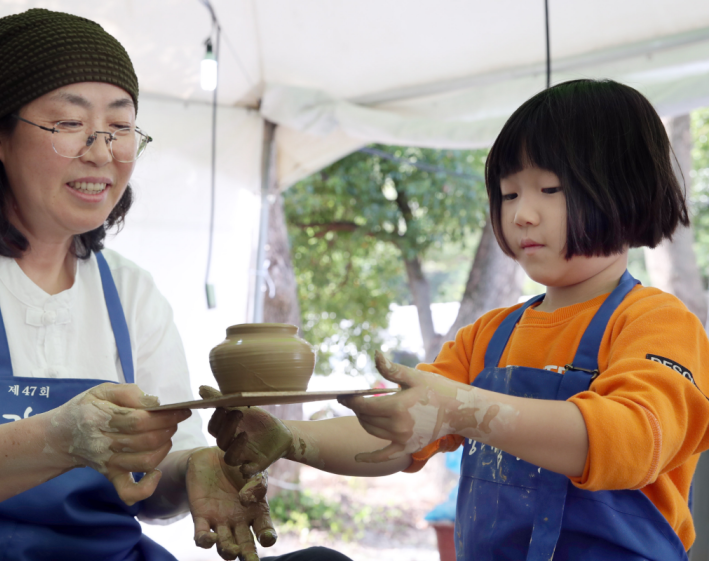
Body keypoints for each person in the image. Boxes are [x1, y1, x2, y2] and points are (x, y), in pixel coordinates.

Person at [0, 9, 352, 561]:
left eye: (120, 127)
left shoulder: (129, 292)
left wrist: (198, 469)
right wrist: (58, 438)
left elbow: (154, 483)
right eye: (68, 124)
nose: (102, 152)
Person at [205, 79, 709, 560]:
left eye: (549, 189)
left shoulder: (657, 323)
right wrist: (294, 440)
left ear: (625, 188)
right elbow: (402, 434)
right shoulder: (487, 339)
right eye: (509, 194)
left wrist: (464, 410)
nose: (522, 215)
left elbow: (631, 441)